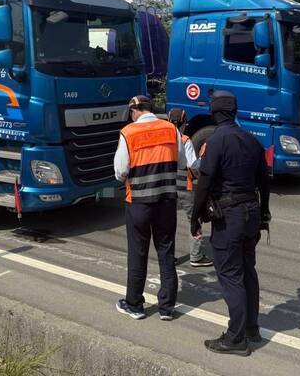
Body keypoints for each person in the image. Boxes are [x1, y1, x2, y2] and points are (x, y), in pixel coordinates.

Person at [191, 90, 271, 356]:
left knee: (230, 275)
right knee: (248, 271)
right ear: (234, 111)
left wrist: (195, 217)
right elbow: (264, 181)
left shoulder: (216, 141)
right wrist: (264, 213)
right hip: (251, 213)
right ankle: (251, 328)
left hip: (230, 216)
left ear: (215, 112)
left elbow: (204, 183)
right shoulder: (251, 140)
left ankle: (236, 338)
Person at [114, 95, 186, 321]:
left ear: (134, 111)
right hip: (166, 201)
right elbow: (183, 162)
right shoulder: (171, 129)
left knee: (138, 252)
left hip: (139, 202)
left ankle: (134, 304)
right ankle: (167, 308)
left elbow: (120, 171)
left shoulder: (128, 132)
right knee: (166, 252)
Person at [167, 108, 212, 268]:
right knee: (194, 219)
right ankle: (196, 256)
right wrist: (202, 158)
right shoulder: (185, 140)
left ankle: (168, 256)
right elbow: (193, 166)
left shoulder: (163, 137)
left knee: (167, 221)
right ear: (184, 122)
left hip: (166, 185)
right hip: (184, 186)